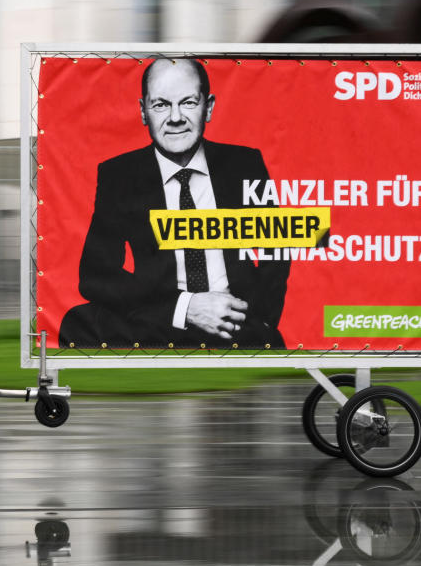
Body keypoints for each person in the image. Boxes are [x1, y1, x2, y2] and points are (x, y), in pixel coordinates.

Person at [59, 58, 291, 348]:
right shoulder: (120, 175)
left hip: (232, 321)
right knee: (76, 322)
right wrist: (185, 307)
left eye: (189, 103)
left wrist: (259, 315)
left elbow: (277, 246)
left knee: (266, 337)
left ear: (209, 107)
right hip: (159, 319)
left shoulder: (244, 164)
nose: (176, 117)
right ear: (143, 111)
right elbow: (95, 275)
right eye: (161, 105)